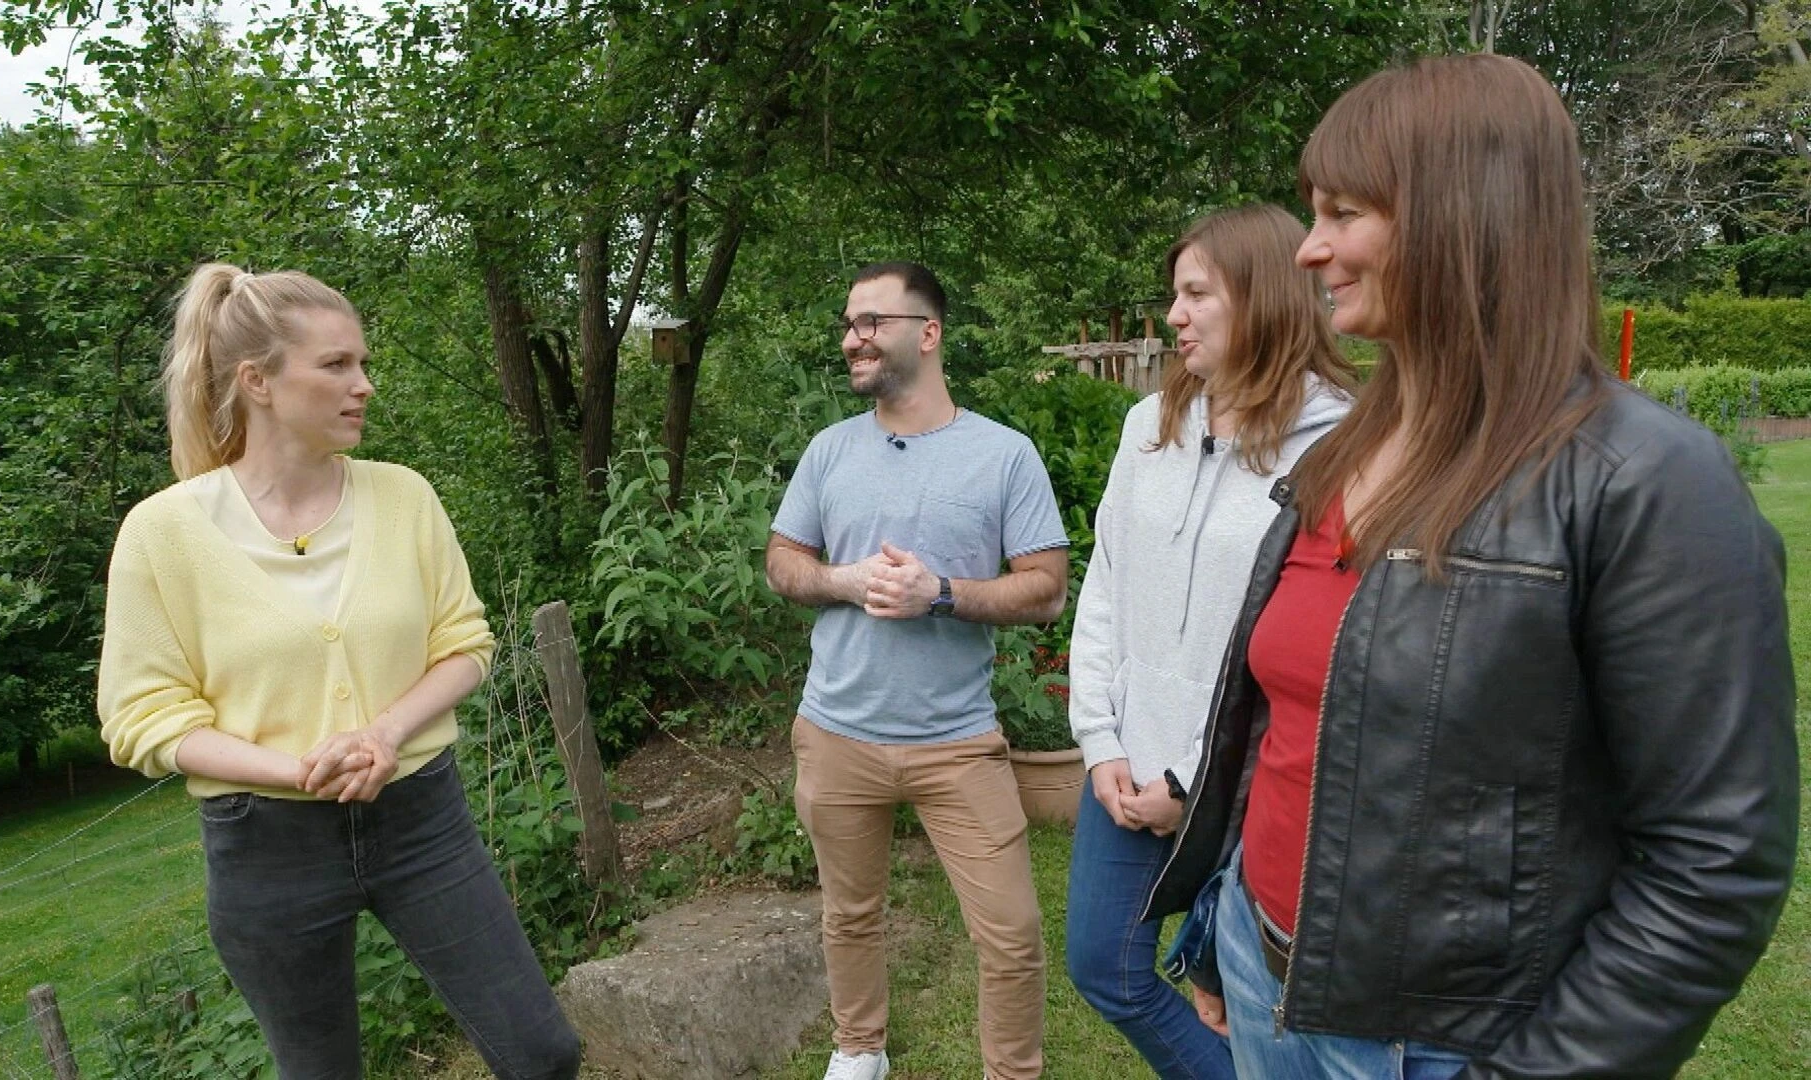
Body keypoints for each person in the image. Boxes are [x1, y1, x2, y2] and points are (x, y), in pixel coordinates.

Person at [1144, 54, 1798, 1079]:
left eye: (1343, 212)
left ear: (1461, 214)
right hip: (1266, 980)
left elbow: (1713, 865)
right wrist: (1228, 925)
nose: (1310, 249)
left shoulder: (1647, 482)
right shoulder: (1338, 458)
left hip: (1436, 1046)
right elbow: (1290, 726)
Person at [97, 264, 581, 1080]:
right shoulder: (162, 533)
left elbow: (464, 643)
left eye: (363, 363)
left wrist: (385, 733)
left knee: (542, 1053)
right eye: (337, 365)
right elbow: (143, 717)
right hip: (266, 846)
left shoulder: (404, 497)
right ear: (257, 381)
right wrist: (298, 770)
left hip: (421, 818)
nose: (364, 385)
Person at [1063, 203, 1355, 1079]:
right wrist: (1099, 739)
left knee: (1245, 1000)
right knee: (1105, 967)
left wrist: (1197, 786)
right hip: (1126, 765)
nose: (1174, 315)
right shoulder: (1148, 426)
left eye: (1197, 294)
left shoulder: (1337, 445)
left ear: (1262, 296)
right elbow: (1107, 584)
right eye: (1174, 294)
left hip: (1242, 788)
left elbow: (1311, 647)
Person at [765, 261, 1070, 1080]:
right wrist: (844, 581)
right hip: (836, 733)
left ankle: (1012, 1073)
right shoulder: (830, 451)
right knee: (849, 914)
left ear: (928, 333)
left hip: (957, 742)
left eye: (872, 322)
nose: (852, 338)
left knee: (1012, 934)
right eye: (848, 323)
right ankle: (859, 1050)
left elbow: (1046, 589)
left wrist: (940, 594)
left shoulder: (1004, 455)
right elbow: (783, 561)